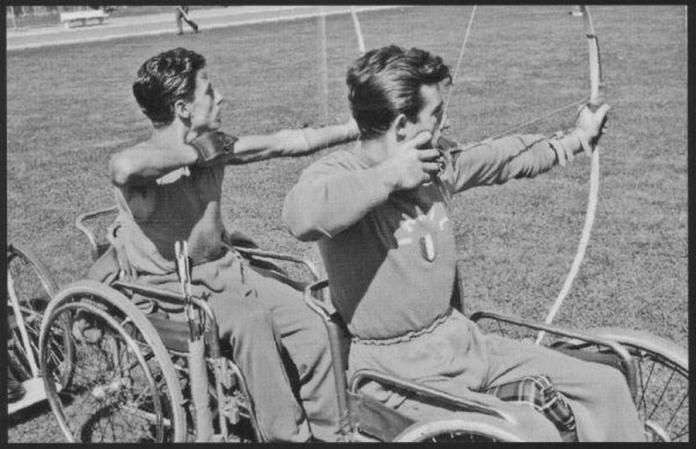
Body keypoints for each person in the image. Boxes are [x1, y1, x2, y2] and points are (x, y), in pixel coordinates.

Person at [282, 45, 645, 441]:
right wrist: (389, 176)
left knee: (604, 384)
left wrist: (577, 139)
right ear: (402, 126)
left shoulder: (434, 164)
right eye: (436, 114)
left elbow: (501, 157)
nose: (445, 121)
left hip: (463, 344)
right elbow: (301, 216)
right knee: (532, 432)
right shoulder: (339, 172)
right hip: (395, 375)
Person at [99, 47, 360, 442]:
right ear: (183, 107)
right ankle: (287, 436)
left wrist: (356, 128)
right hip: (173, 292)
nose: (221, 97)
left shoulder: (215, 145)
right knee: (251, 321)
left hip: (229, 270)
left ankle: (332, 432)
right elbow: (122, 167)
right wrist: (194, 152)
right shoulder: (147, 168)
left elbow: (285, 142)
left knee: (315, 320)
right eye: (210, 90)